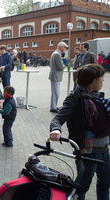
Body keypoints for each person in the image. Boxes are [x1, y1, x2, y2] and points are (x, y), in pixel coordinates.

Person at [50, 64, 110, 200]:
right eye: (102, 79)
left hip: (104, 149)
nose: (103, 81)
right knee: (82, 187)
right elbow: (58, 118)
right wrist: (55, 129)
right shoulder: (75, 98)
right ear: (94, 81)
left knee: (106, 183)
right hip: (88, 152)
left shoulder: (96, 96)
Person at [49, 42, 68, 113]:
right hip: (56, 76)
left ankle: (54, 106)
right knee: (56, 92)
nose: (65, 49)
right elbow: (60, 66)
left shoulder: (55, 53)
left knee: (55, 92)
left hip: (55, 75)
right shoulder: (57, 54)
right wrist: (64, 65)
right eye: (64, 47)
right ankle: (53, 107)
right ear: (61, 47)